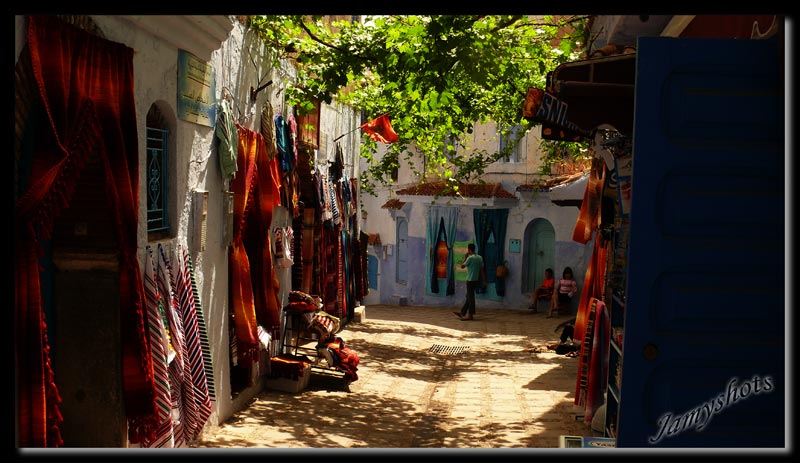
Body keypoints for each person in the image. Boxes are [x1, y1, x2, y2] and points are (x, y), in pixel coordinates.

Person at [454, 243, 485, 321]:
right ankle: (462, 312)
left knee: (470, 298)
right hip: (476, 280)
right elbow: (482, 270)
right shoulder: (480, 258)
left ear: (469, 249)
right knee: (469, 296)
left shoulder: (470, 258)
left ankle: (470, 315)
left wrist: (465, 257)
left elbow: (462, 266)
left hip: (470, 280)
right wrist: (484, 280)